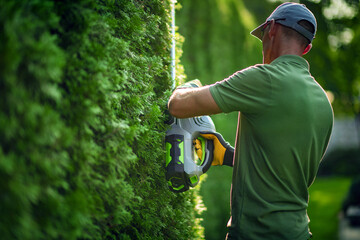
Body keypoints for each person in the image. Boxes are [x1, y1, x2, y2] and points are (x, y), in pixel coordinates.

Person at [168, 2, 334, 239]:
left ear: (272, 29)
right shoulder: (323, 102)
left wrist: (185, 88)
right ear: (306, 48)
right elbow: (286, 168)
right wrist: (227, 155)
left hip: (255, 233)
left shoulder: (264, 79)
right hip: (298, 233)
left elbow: (178, 105)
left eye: (263, 37)